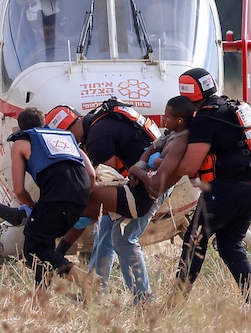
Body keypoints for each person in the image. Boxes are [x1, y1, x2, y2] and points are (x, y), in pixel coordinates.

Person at [45, 99, 171, 304]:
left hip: (150, 186)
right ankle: (94, 295)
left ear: (74, 124)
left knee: (123, 237)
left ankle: (144, 300)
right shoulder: (100, 123)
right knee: (105, 230)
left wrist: (58, 251)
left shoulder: (97, 138)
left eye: (66, 136)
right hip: (148, 179)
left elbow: (108, 178)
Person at [171, 68, 251, 314]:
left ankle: (172, 308)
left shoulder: (206, 119)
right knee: (229, 245)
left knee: (194, 241)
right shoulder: (233, 108)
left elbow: (190, 165)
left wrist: (158, 168)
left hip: (230, 189)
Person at [0, 107, 100, 296]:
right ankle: (41, 301)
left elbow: (19, 190)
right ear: (44, 122)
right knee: (45, 247)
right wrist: (79, 196)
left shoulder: (22, 142)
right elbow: (91, 174)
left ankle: (84, 280)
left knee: (33, 249)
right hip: (80, 197)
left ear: (20, 127)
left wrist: (32, 206)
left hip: (56, 197)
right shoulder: (67, 138)